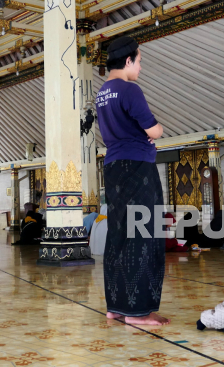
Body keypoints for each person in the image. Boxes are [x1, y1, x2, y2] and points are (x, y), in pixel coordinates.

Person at [95, 36, 167, 326]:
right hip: (137, 166)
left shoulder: (103, 92)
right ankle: (138, 311)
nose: (140, 66)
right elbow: (154, 128)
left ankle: (116, 306)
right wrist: (157, 130)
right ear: (128, 61)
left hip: (113, 167)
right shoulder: (129, 89)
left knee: (119, 234)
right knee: (144, 232)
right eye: (139, 60)